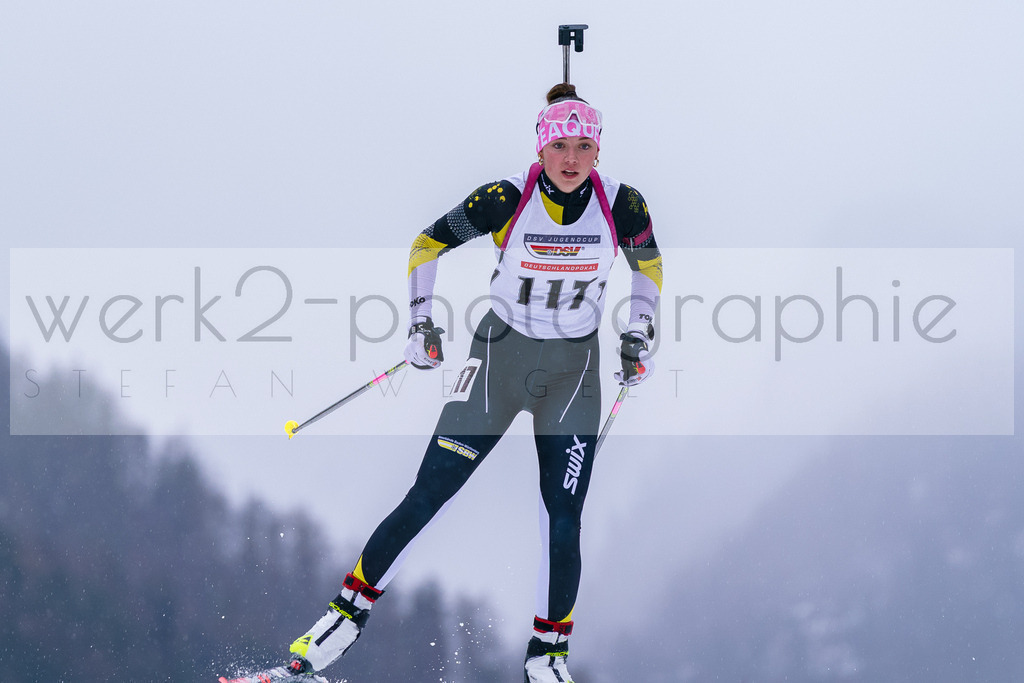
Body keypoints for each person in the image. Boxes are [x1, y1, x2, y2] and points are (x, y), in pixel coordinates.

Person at [221, 82, 663, 683]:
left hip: (573, 372)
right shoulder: (506, 197)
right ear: (540, 146)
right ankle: (335, 628)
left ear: (597, 149)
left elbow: (649, 268)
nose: (570, 158)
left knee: (563, 516)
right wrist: (421, 324)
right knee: (430, 492)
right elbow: (426, 244)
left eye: (584, 145)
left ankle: (548, 658)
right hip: (499, 359)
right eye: (560, 144)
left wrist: (640, 332)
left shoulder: (623, 204)